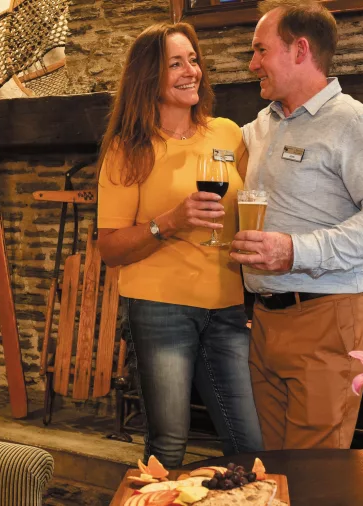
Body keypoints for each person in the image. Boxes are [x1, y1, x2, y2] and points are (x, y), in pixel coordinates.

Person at [230, 0, 363, 451]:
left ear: (300, 50)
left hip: (329, 315)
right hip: (266, 319)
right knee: (270, 465)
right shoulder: (262, 126)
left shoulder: (353, 122)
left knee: (314, 474)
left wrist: (295, 250)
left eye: (259, 50)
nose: (252, 64)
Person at [96, 22, 263, 468]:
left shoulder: (228, 134)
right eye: (176, 63)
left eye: (193, 60)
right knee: (170, 445)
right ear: (150, 76)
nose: (192, 70)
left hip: (227, 307)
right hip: (159, 308)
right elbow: (109, 248)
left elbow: (251, 198)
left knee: (247, 444)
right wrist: (169, 222)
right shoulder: (127, 148)